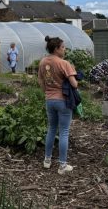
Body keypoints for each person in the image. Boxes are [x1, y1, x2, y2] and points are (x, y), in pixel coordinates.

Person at [38, 36, 78, 174]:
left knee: (51, 129)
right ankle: (62, 166)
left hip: (49, 100)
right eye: (63, 47)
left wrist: (48, 92)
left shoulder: (43, 62)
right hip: (63, 101)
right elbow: (74, 84)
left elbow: (41, 81)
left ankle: (47, 161)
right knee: (64, 132)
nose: (64, 50)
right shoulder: (64, 63)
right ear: (56, 49)